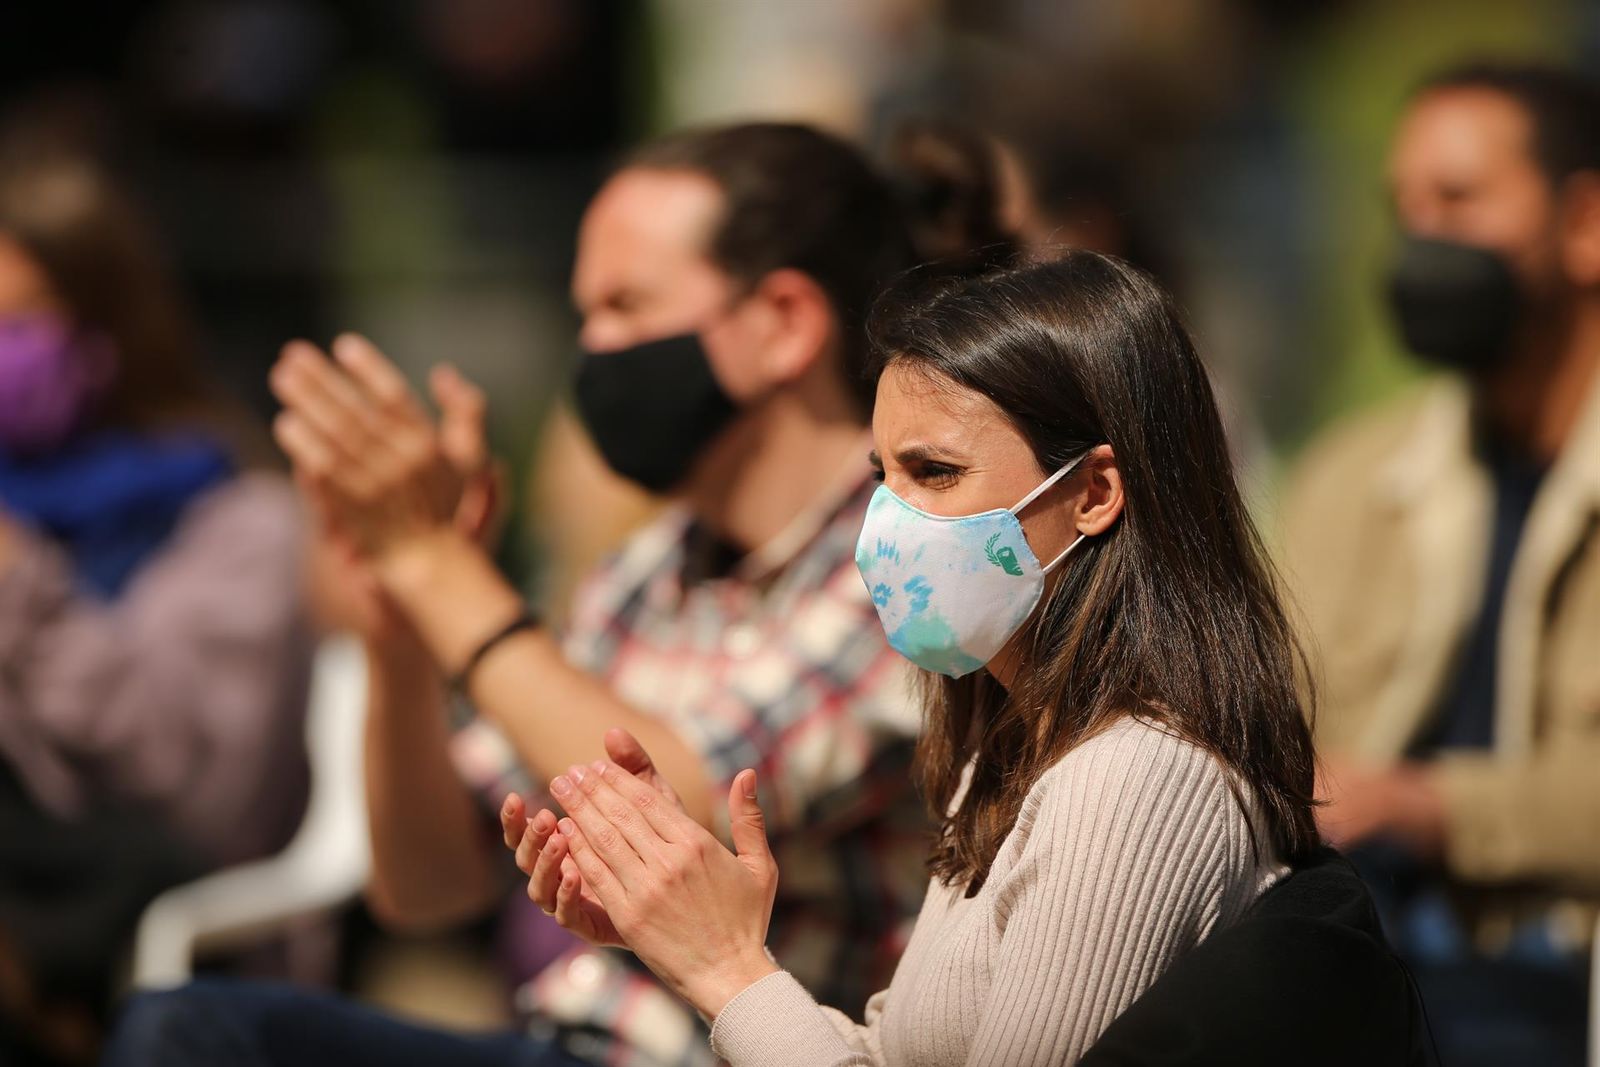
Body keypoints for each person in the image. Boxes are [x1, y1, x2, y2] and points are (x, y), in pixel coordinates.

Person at [105, 122, 987, 1067]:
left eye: (625, 306)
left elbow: (684, 808)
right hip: (564, 1041)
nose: (593, 351)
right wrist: (400, 631)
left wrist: (438, 569)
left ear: (783, 321)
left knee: (193, 1036)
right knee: (192, 1022)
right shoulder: (646, 570)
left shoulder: (905, 556)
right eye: (584, 315)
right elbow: (429, 886)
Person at [504, 250, 1323, 1065]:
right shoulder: (1009, 756)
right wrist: (681, 939)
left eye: (934, 472)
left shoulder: (1138, 778)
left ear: (1095, 494)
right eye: (882, 476)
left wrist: (728, 967)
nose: (886, 521)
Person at [1284, 61, 1600, 1067]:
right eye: (1404, 207)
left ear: (1585, 224)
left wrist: (1424, 806)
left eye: (1458, 200)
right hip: (1360, 973)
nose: (1422, 238)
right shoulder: (1349, 475)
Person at [0, 139, 314, 1062]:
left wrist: (23, 585)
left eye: (18, 322)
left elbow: (189, 791)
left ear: (108, 324)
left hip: (130, 927)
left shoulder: (235, 522)